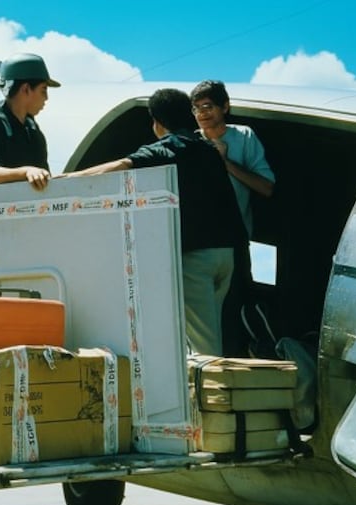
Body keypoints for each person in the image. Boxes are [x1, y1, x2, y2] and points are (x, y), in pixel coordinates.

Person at [66, 88, 245, 356]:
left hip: (196, 258)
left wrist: (67, 180)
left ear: (157, 123)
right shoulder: (208, 150)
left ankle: (207, 396)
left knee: (204, 347)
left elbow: (118, 166)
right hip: (226, 255)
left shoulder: (168, 147)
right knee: (208, 330)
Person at [190, 80, 275, 356]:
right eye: (196, 108)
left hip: (236, 242)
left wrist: (225, 164)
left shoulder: (244, 137)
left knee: (235, 307)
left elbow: (267, 187)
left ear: (224, 107)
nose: (202, 114)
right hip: (198, 244)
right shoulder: (190, 141)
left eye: (208, 106)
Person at [0, 52, 60, 191]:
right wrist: (26, 172)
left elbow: (43, 173)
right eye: (43, 90)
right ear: (26, 89)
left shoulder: (32, 128)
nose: (46, 98)